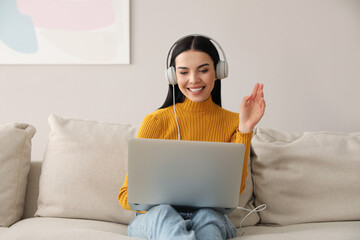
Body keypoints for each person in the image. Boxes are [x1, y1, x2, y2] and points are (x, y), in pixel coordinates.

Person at [118, 34, 266, 240]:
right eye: (184, 72)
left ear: (218, 72)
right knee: (164, 213)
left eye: (203, 70)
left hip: (210, 216)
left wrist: (245, 129)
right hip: (155, 218)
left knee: (208, 217)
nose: (194, 79)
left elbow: (234, 191)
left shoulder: (235, 123)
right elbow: (127, 195)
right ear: (173, 76)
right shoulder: (156, 121)